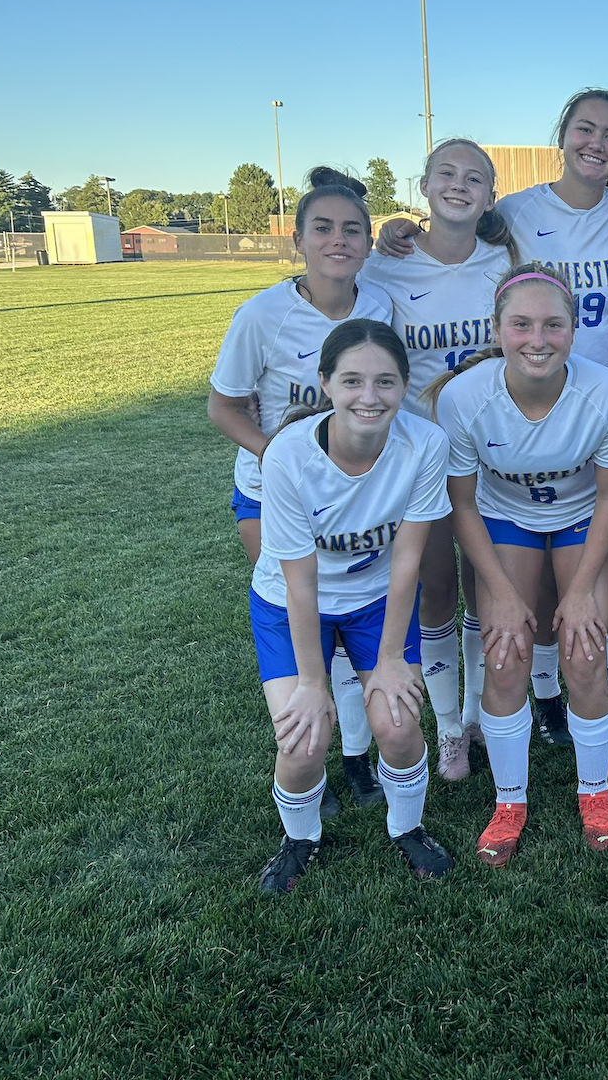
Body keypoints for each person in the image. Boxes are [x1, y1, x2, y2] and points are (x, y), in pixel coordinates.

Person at [378, 93, 608, 746]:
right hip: (505, 407)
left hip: (605, 400)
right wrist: (402, 226)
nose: (596, 143)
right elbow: (455, 229)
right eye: (584, 129)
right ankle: (535, 696)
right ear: (562, 136)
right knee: (513, 556)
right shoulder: (516, 214)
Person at [432, 268, 608, 866]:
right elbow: (463, 504)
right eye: (521, 325)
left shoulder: (603, 391)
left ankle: (594, 791)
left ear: (574, 330)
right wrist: (499, 592)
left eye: (553, 325)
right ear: (497, 331)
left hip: (580, 519)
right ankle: (509, 801)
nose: (537, 340)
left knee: (585, 652)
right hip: (505, 520)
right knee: (505, 655)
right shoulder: (464, 397)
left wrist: (580, 591)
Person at [209, 169, 392, 813]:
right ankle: (309, 755)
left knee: (348, 620)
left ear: (368, 243)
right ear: (298, 240)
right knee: (301, 619)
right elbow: (223, 407)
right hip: (271, 495)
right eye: (323, 228)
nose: (338, 240)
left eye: (352, 230)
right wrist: (280, 458)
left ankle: (357, 758)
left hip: (356, 497)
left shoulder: (380, 306)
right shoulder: (262, 315)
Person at [251, 318, 454, 894]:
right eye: (353, 381)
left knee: (398, 725)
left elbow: (408, 562)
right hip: (290, 602)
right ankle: (300, 840)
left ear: (404, 385)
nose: (370, 396)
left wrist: (390, 660)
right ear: (326, 383)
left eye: (386, 382)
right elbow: (301, 584)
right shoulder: (287, 455)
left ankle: (407, 828)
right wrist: (313, 685)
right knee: (303, 740)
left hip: (375, 600)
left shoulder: (425, 444)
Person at [360, 139, 515, 782]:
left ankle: (476, 714)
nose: (458, 185)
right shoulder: (385, 266)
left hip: (491, 452)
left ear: (490, 195)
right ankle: (448, 726)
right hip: (419, 456)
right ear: (422, 186)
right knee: (437, 589)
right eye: (445, 173)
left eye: (474, 178)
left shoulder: (505, 260)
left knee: (484, 587)